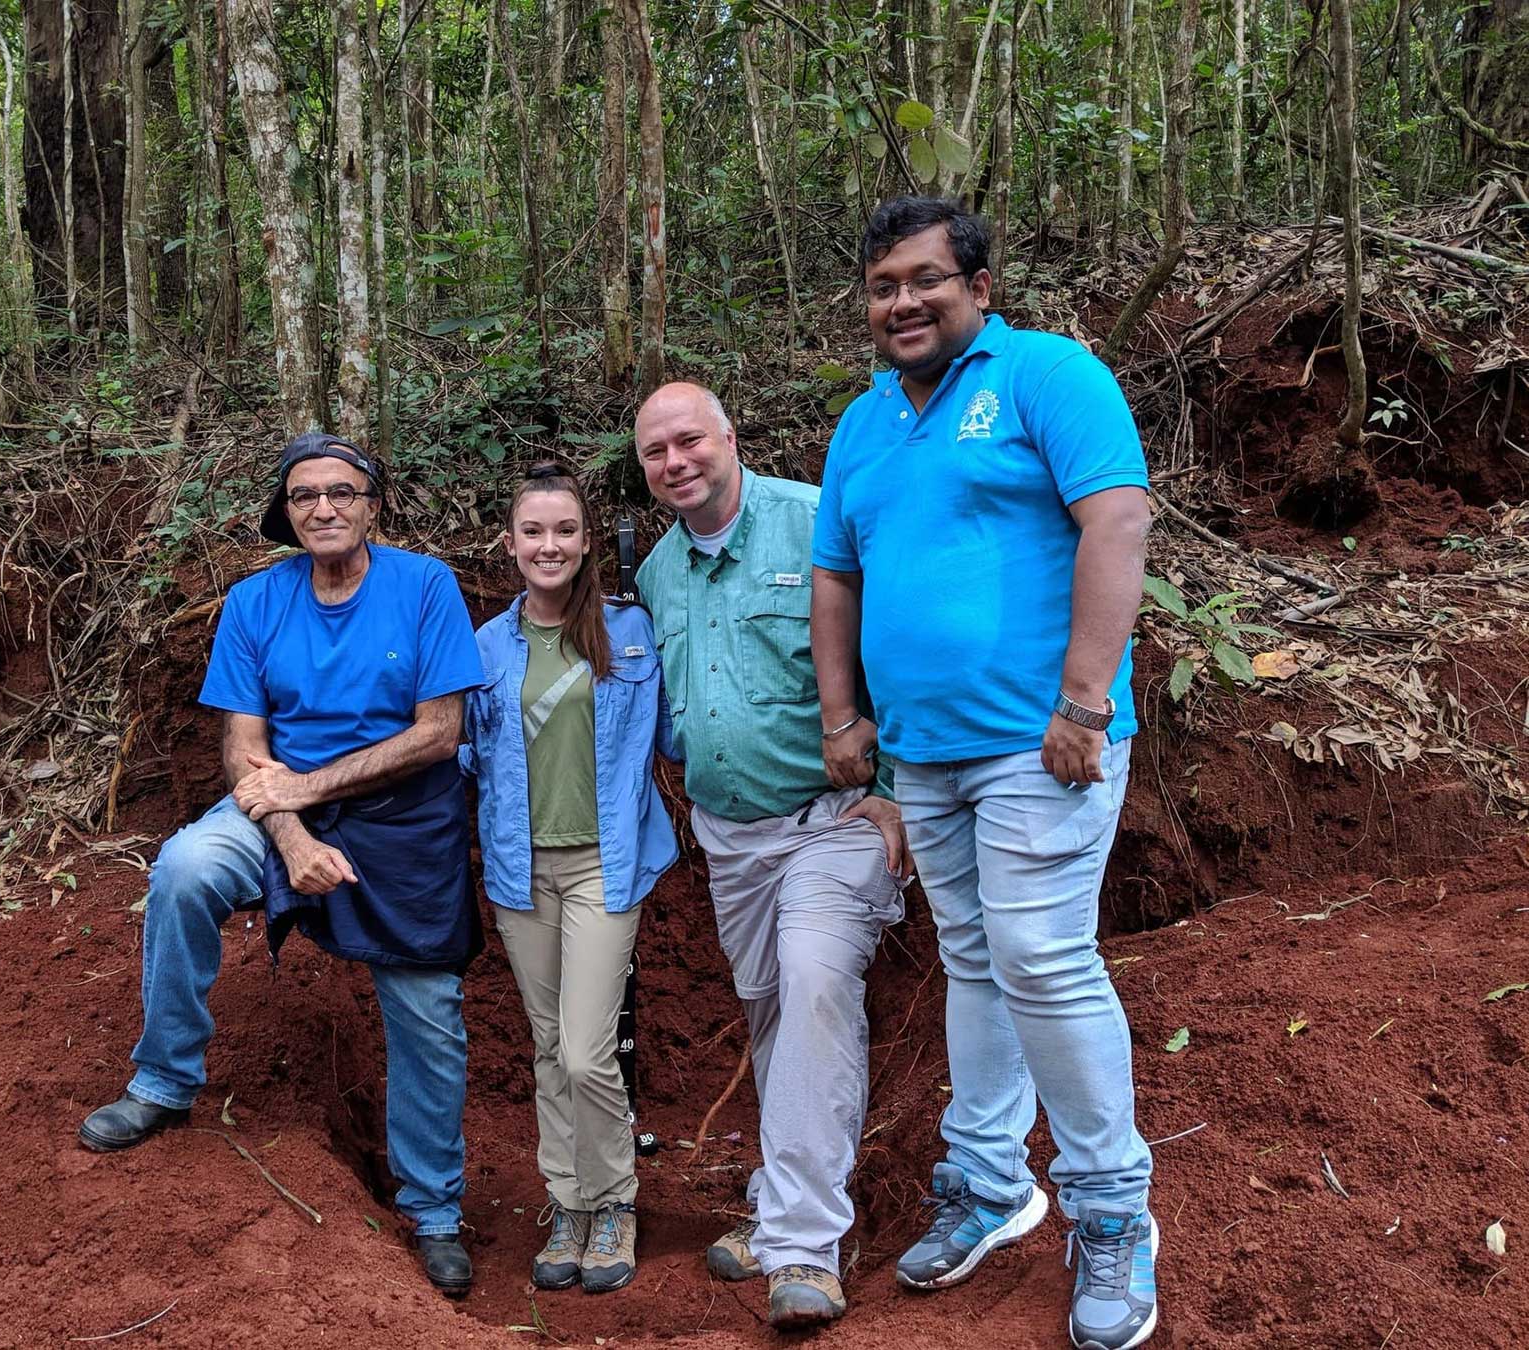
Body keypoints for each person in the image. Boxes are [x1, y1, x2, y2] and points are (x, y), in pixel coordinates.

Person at [810, 196, 1158, 1350]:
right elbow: (838, 580)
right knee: (975, 957)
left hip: (1038, 740)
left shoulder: (1048, 376)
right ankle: (993, 1181)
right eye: (881, 285)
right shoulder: (861, 425)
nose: (900, 301)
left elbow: (1116, 520)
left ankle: (1113, 1210)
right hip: (924, 751)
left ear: (978, 287)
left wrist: (1083, 700)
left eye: (922, 279)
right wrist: (845, 718)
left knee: (1043, 957)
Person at [77, 432, 487, 1299]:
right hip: (276, 804)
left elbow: (437, 733)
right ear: (286, 513)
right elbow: (242, 744)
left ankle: (435, 1207)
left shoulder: (426, 587)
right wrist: (293, 832)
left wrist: (307, 787)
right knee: (186, 868)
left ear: (373, 504)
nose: (325, 509)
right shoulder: (256, 602)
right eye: (306, 497)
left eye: (343, 492)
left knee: (426, 1004)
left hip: (404, 817)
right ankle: (163, 1081)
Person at [632, 382, 910, 1329]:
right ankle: (781, 1197)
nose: (677, 462)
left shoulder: (813, 526)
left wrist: (898, 790)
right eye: (655, 452)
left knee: (816, 986)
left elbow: (904, 652)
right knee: (773, 1016)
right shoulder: (658, 574)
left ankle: (804, 1245)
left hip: (835, 820)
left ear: (729, 438)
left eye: (690, 441)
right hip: (730, 840)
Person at [462, 462, 678, 1294]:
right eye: (532, 532)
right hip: (521, 869)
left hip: (604, 865)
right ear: (511, 544)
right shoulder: (483, 646)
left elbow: (676, 733)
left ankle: (616, 1199)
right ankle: (571, 1204)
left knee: (588, 1051)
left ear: (587, 542)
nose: (548, 546)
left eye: (564, 531)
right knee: (549, 1048)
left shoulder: (629, 631)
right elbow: (463, 752)